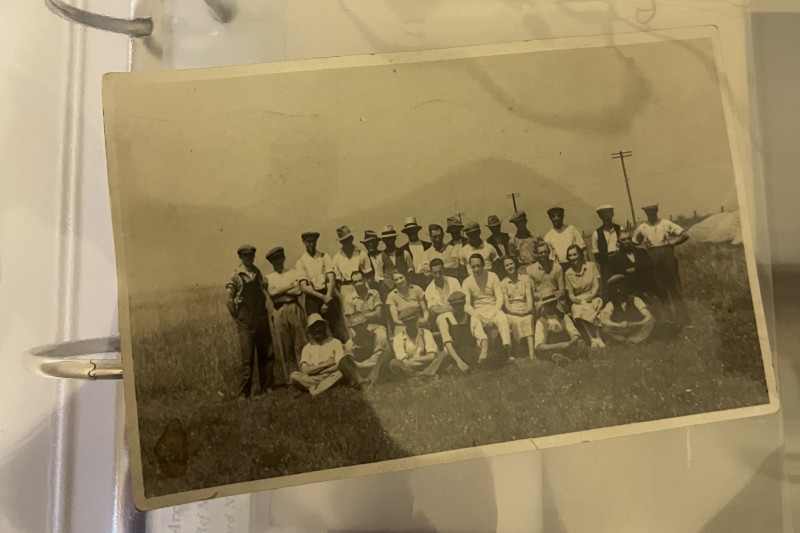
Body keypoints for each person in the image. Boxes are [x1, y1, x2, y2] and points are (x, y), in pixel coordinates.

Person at [225, 244, 273, 398]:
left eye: (251, 256)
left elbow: (264, 291)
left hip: (261, 318)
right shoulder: (236, 275)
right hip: (246, 322)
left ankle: (267, 388)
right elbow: (229, 301)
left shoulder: (258, 273)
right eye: (245, 256)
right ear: (241, 258)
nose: (249, 259)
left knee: (266, 355)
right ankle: (244, 393)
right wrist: (238, 319)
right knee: (248, 358)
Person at [633, 203, 690, 324]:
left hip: (667, 255)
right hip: (652, 257)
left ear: (657, 211)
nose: (651, 214)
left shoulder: (665, 223)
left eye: (653, 211)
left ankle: (683, 318)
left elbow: (684, 235)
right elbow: (634, 242)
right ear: (645, 213)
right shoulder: (642, 227)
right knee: (660, 288)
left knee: (674, 287)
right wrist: (644, 249)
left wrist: (672, 243)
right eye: (648, 212)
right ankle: (670, 319)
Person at [289, 314, 365, 395]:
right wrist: (327, 363)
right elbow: (306, 370)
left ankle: (313, 389)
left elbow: (339, 365)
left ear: (324, 327)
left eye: (319, 326)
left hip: (331, 375)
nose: (317, 329)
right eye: (314, 327)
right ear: (310, 331)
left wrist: (316, 369)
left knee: (339, 374)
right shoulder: (307, 348)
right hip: (312, 378)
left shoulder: (335, 342)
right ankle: (320, 388)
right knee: (294, 376)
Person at [265, 246, 307, 386]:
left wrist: (281, 291)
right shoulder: (269, 278)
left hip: (294, 307)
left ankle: (305, 375)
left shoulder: (293, 272)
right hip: (279, 310)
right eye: (274, 260)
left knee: (300, 341)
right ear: (271, 262)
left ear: (283, 258)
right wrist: (289, 286)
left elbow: (298, 291)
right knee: (285, 345)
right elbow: (272, 294)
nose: (277, 262)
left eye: (279, 258)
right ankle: (291, 379)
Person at [295, 230, 347, 343]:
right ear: (304, 242)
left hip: (327, 293)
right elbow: (304, 287)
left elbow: (332, 278)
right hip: (313, 298)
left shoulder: (324, 256)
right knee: (316, 328)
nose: (311, 244)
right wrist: (322, 298)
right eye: (308, 241)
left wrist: (327, 298)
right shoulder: (301, 262)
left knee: (335, 326)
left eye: (313, 241)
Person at [343, 269, 390, 384]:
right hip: (358, 329)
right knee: (349, 345)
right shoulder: (349, 299)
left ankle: (373, 367)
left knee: (381, 336)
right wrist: (365, 317)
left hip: (375, 326)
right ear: (353, 284)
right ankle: (356, 375)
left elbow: (379, 314)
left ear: (365, 280)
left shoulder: (374, 293)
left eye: (360, 280)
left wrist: (361, 316)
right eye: (356, 282)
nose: (359, 284)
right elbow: (351, 320)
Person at [462, 253, 513, 359]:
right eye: (473, 267)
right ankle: (484, 350)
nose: (476, 269)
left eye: (478, 266)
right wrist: (481, 318)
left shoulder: (493, 276)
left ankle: (508, 349)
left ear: (484, 264)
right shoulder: (467, 282)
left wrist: (493, 315)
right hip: (478, 311)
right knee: (474, 321)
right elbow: (466, 305)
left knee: (502, 318)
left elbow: (500, 298)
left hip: (493, 308)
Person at [564, 244, 605, 349]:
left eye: (575, 254)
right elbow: (571, 295)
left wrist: (590, 297)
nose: (573, 257)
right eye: (570, 256)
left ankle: (598, 336)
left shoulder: (591, 266)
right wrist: (577, 300)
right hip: (579, 300)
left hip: (593, 296)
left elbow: (596, 285)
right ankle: (592, 338)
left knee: (594, 305)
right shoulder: (568, 273)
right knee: (577, 310)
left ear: (580, 255)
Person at [389, 307, 448, 378]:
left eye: (413, 321)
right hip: (409, 368)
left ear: (417, 319)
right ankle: (424, 375)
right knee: (393, 363)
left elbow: (431, 356)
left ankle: (420, 375)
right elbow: (405, 363)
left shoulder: (426, 333)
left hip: (426, 364)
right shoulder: (398, 338)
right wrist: (421, 360)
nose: (411, 324)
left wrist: (414, 360)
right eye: (408, 322)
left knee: (444, 354)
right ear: (404, 323)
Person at [437, 291, 488, 371]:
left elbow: (483, 337)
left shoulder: (472, 319)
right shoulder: (444, 320)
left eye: (460, 304)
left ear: (464, 303)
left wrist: (484, 352)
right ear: (451, 306)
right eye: (455, 305)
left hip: (469, 351)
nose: (458, 308)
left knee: (490, 358)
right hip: (453, 353)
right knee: (446, 360)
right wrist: (459, 362)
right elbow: (448, 343)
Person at [599, 274, 656, 345]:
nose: (619, 291)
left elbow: (648, 316)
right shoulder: (611, 304)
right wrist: (619, 325)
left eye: (621, 287)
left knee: (651, 322)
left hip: (636, 328)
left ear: (626, 287)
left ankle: (633, 340)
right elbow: (604, 320)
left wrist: (637, 323)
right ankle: (625, 341)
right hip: (622, 330)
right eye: (616, 289)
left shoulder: (635, 299)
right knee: (606, 330)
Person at [534, 292, 587, 364]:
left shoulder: (562, 317)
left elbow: (574, 333)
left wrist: (569, 343)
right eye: (547, 305)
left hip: (566, 344)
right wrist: (558, 346)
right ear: (544, 306)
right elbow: (539, 346)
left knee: (580, 342)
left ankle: (576, 356)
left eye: (552, 304)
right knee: (549, 353)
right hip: (551, 347)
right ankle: (561, 358)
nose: (550, 307)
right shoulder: (541, 321)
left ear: (555, 304)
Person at [606, 230, 660, 300]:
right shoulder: (615, 258)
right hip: (629, 293)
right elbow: (612, 277)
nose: (627, 241)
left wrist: (635, 269)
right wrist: (624, 274)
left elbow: (649, 267)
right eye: (623, 240)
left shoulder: (642, 252)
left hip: (648, 289)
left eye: (629, 239)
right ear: (618, 242)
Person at [500, 256, 535, 359]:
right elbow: (506, 305)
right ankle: (520, 348)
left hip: (525, 307)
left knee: (528, 318)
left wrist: (528, 309)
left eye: (511, 264)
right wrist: (515, 312)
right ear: (504, 268)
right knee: (516, 321)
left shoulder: (525, 278)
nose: (509, 267)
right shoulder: (503, 283)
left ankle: (532, 354)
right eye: (506, 265)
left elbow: (529, 297)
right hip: (512, 310)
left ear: (515, 264)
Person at [332, 225, 373, 301]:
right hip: (346, 288)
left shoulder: (362, 254)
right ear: (341, 242)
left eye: (348, 239)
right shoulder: (336, 257)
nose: (346, 242)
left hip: (362, 287)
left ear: (352, 238)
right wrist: (340, 296)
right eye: (344, 241)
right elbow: (337, 281)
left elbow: (369, 276)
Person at [525, 241, 566, 313]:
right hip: (541, 303)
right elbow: (533, 294)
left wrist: (551, 296)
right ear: (536, 254)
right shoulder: (530, 270)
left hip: (557, 301)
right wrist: (546, 297)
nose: (543, 255)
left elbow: (562, 291)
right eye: (540, 253)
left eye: (545, 252)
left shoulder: (557, 267)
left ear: (549, 252)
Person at [378, 225, 414, 301]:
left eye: (391, 238)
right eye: (386, 239)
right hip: (389, 292)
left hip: (406, 290)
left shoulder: (404, 253)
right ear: (383, 240)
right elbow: (380, 278)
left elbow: (410, 271)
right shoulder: (380, 257)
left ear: (395, 238)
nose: (389, 241)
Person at [424, 258, 462, 323]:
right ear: (431, 273)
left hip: (458, 314)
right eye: (435, 273)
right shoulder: (428, 290)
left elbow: (460, 304)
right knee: (444, 318)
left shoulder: (454, 281)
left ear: (443, 270)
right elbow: (433, 311)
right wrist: (450, 308)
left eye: (440, 272)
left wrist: (440, 308)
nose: (438, 275)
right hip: (440, 317)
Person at [399, 216, 431, 287]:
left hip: (430, 278)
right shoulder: (403, 250)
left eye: (413, 230)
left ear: (417, 230)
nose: (412, 233)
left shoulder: (428, 245)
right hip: (414, 281)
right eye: (409, 231)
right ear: (406, 233)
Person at [591, 204, 621, 273]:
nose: (606, 218)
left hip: (621, 262)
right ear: (600, 217)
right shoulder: (596, 233)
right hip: (606, 265)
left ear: (612, 214)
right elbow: (596, 254)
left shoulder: (620, 229)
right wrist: (605, 264)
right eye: (603, 216)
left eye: (608, 215)